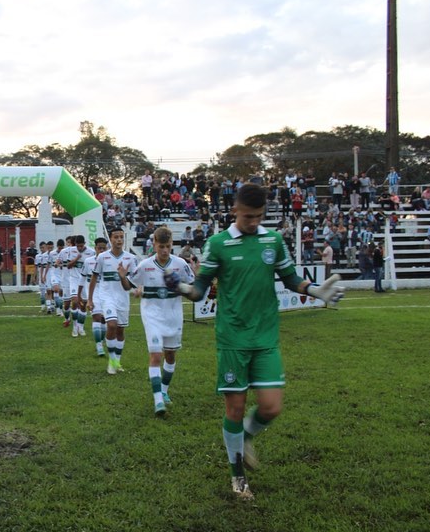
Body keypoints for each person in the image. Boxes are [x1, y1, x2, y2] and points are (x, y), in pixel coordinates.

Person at [169, 183, 345, 500]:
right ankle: (238, 478)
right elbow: (198, 290)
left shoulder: (273, 240)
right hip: (233, 338)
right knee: (234, 409)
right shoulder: (218, 244)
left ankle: (247, 437)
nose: (252, 222)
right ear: (235, 210)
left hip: (265, 336)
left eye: (258, 216)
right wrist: (181, 288)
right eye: (247, 216)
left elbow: (291, 278)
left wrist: (317, 292)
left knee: (271, 407)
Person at [129, 227, 195, 416]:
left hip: (173, 315)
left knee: (170, 356)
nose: (164, 250)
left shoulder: (181, 264)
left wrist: (185, 284)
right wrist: (135, 291)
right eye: (161, 247)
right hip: (152, 316)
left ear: (171, 245)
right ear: (154, 245)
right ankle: (158, 400)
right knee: (156, 357)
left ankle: (164, 391)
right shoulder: (144, 266)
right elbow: (131, 286)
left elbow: (191, 288)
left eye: (167, 246)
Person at [86, 227, 138, 375]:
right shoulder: (102, 257)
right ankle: (112, 360)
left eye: (121, 237)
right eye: (116, 237)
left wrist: (124, 277)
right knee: (111, 324)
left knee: (120, 329)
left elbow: (130, 285)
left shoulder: (130, 258)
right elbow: (94, 278)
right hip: (106, 296)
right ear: (111, 239)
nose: (119, 240)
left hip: (122, 297)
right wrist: (90, 299)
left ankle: (117, 361)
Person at [80, 237, 109, 356]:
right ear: (95, 248)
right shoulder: (88, 261)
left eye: (104, 248)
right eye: (99, 248)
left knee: (104, 320)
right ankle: (99, 346)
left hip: (107, 293)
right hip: (94, 293)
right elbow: (82, 278)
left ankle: (101, 340)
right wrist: (80, 295)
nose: (101, 250)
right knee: (96, 317)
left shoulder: (109, 261)